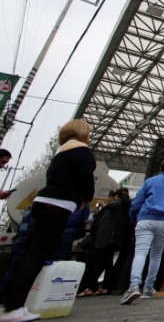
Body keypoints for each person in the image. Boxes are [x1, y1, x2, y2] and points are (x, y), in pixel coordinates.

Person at [0, 119, 95, 322]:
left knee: (29, 253)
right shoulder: (82, 152)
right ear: (83, 133)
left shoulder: (62, 152)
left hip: (42, 202)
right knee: (38, 255)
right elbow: (87, 180)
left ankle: (11, 303)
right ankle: (14, 307)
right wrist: (86, 199)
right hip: (58, 205)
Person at [120, 158, 164, 305]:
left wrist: (133, 218)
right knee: (157, 255)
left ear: (161, 168)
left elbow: (137, 202)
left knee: (140, 252)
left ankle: (133, 285)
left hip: (146, 218)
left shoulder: (150, 181)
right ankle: (148, 287)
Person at [78, 189, 131, 296]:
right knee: (108, 263)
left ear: (116, 196)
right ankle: (106, 286)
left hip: (104, 239)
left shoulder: (116, 204)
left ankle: (91, 287)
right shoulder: (125, 206)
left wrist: (103, 204)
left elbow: (108, 207)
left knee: (98, 263)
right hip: (113, 239)